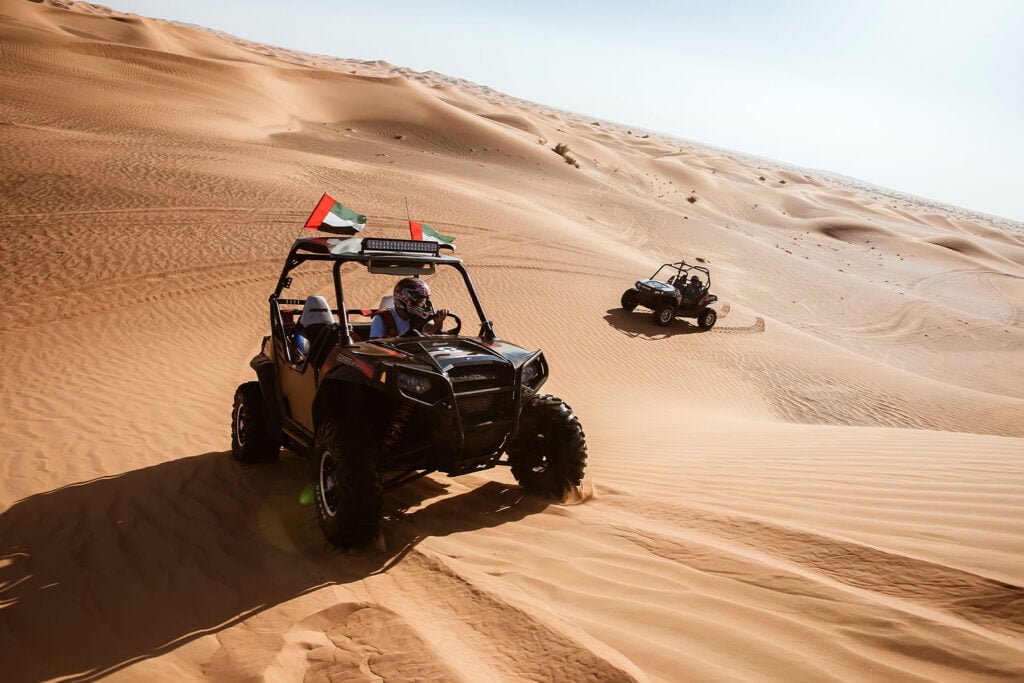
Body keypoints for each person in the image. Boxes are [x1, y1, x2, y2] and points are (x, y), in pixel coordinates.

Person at [369, 277, 449, 339]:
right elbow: (374, 348)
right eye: (420, 301)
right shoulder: (382, 319)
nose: (423, 305)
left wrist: (438, 323)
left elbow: (429, 334)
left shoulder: (420, 317)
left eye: (424, 301)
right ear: (404, 300)